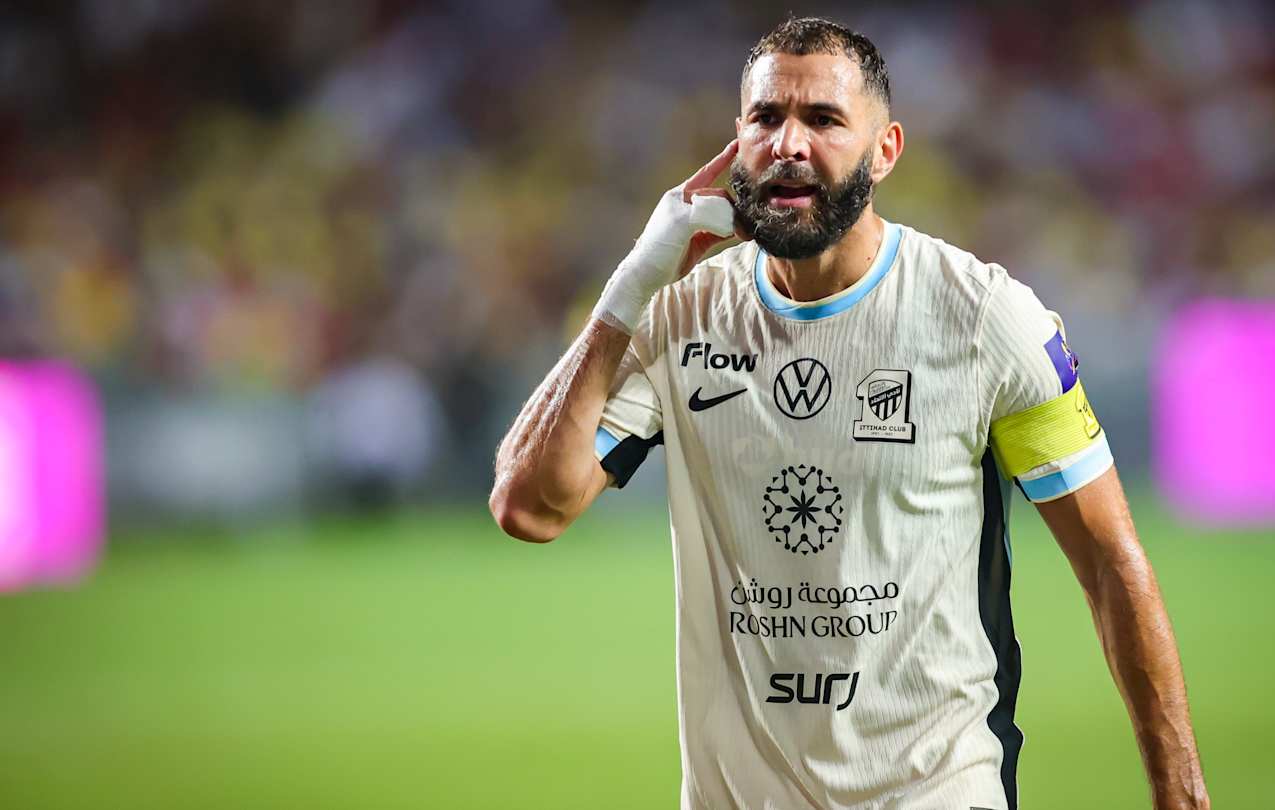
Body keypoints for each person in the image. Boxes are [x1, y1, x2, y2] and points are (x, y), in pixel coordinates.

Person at [490, 16, 1209, 810]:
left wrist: (1179, 792)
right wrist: (629, 288)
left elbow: (1110, 561)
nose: (789, 144)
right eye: (766, 118)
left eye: (824, 119)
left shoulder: (984, 318)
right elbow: (530, 506)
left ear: (885, 150)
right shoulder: (679, 315)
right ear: (736, 142)